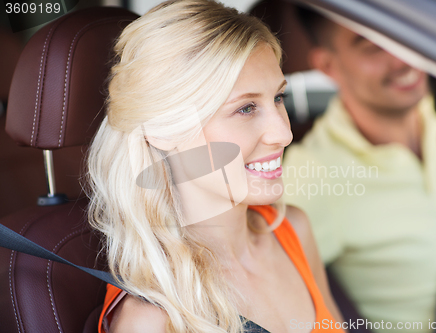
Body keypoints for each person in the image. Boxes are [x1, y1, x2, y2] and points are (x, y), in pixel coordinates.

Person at [86, 1, 346, 332]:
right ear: (163, 129)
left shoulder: (292, 230)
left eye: (279, 98)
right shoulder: (153, 318)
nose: (284, 133)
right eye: (246, 108)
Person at [283, 5, 436, 333]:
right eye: (372, 46)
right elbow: (268, 288)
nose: (402, 59)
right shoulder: (314, 172)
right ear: (328, 66)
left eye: (404, 36)